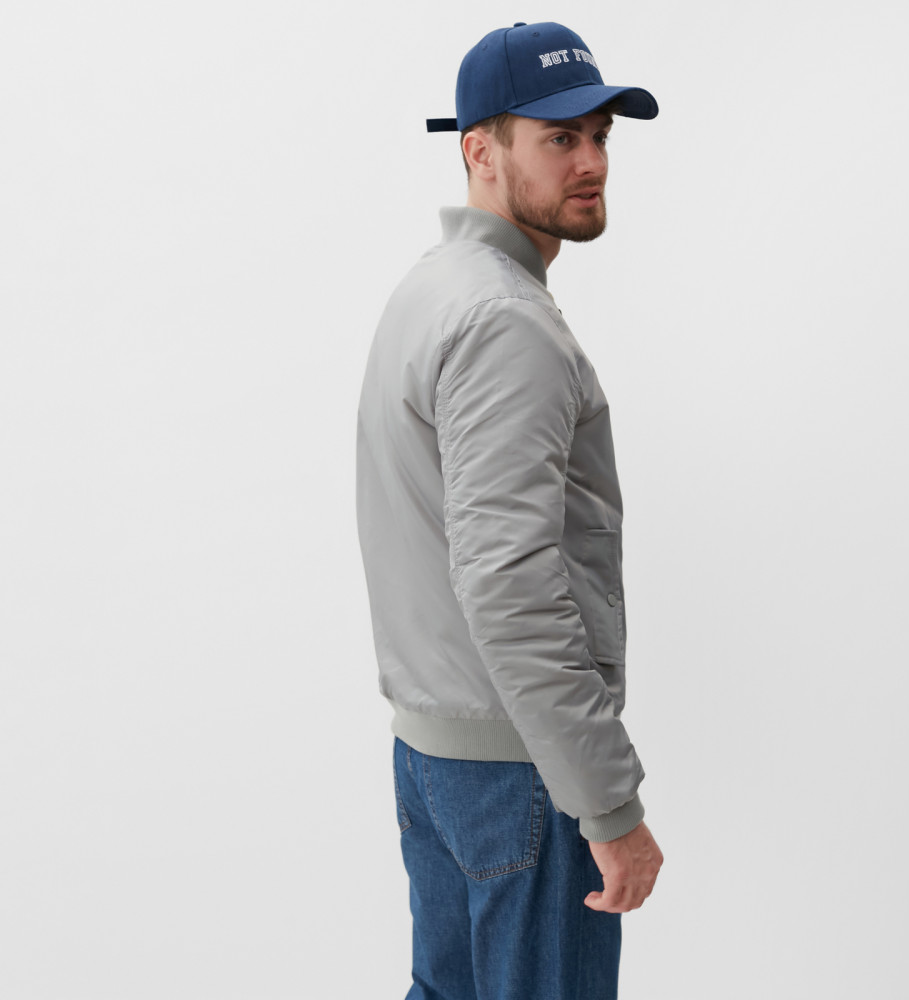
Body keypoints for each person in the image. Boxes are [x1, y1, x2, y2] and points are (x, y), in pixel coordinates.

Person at [357, 21, 663, 1000]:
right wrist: (607, 803)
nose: (591, 162)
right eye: (559, 138)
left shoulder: (434, 288)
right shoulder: (503, 321)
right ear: (481, 152)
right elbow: (510, 584)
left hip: (438, 755)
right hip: (518, 771)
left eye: (599, 136)